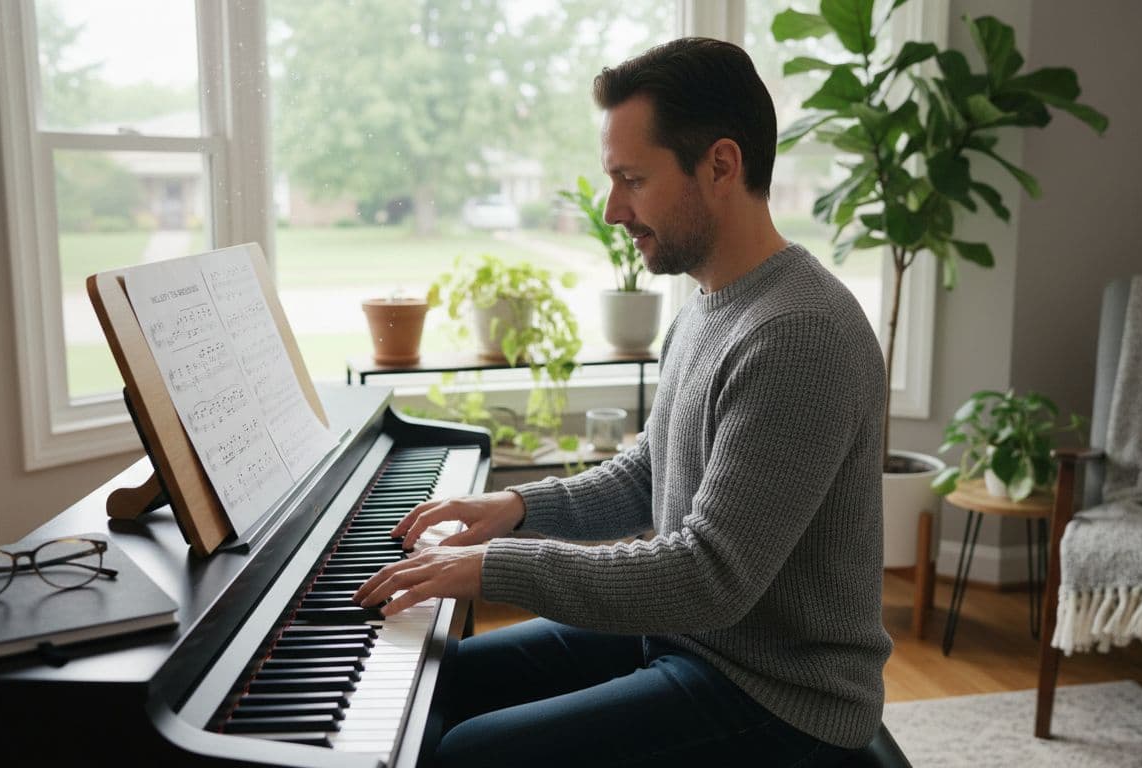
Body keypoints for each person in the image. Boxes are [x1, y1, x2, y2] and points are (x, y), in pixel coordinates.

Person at [354, 36, 892, 767]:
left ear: (721, 165)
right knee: (431, 682)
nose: (612, 209)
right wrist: (516, 510)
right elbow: (650, 471)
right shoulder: (709, 304)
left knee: (472, 754)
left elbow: (709, 575)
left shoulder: (798, 335)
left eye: (632, 179)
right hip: (689, 643)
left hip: (778, 697)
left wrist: (492, 565)